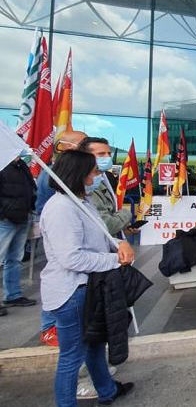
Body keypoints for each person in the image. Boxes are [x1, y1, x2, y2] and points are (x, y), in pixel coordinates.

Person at [40, 150, 135, 406]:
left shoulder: (82, 201)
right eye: (93, 172)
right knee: (72, 356)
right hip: (72, 291)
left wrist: (118, 244)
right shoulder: (61, 209)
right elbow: (71, 258)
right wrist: (114, 260)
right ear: (78, 174)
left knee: (94, 345)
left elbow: (100, 234)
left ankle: (107, 390)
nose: (97, 176)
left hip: (90, 286)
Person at [35, 130, 87, 347]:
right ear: (64, 146)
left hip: (72, 231)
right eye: (83, 144)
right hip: (60, 232)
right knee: (59, 272)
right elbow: (49, 206)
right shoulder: (52, 175)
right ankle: (49, 326)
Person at [79, 138, 139, 238]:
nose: (107, 157)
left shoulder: (105, 177)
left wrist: (122, 228)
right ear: (85, 157)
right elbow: (105, 224)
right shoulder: (87, 185)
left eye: (109, 154)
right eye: (101, 154)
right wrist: (126, 214)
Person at [0, 152, 37, 313]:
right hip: (5, 220)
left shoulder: (21, 166)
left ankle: (13, 295)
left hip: (22, 217)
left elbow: (31, 188)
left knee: (14, 259)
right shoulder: (3, 166)